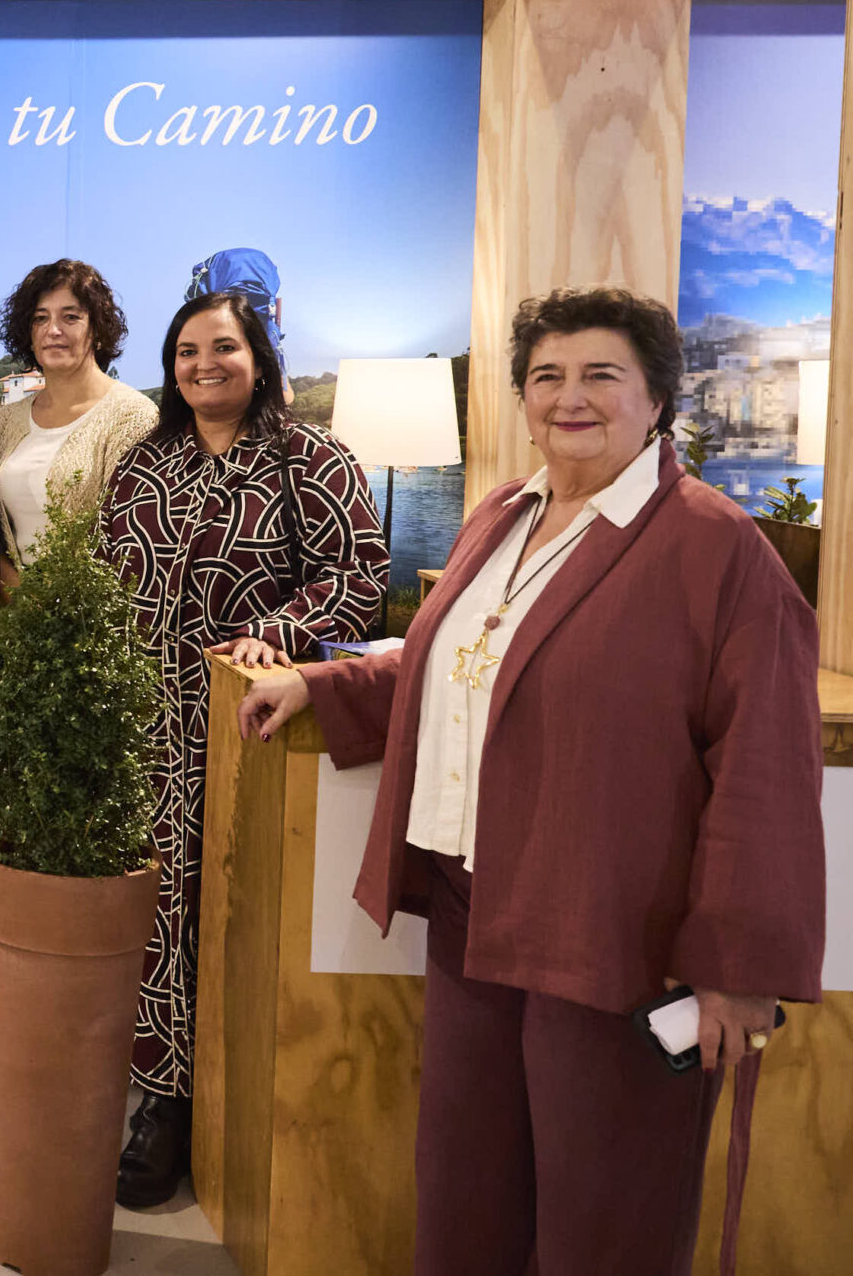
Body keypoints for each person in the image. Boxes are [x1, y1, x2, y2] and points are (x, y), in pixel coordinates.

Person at [237, 288, 823, 1276]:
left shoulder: (717, 547)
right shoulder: (504, 514)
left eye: (601, 375)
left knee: (604, 1217)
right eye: (546, 376)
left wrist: (735, 966)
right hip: (473, 912)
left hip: (612, 934)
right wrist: (321, 683)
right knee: (466, 1194)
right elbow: (464, 668)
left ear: (657, 398)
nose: (568, 397)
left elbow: (765, 769)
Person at [99, 288, 386, 1207]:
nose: (203, 365)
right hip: (146, 730)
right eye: (186, 351)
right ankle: (161, 1093)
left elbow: (361, 574)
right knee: (154, 912)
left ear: (258, 357)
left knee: (228, 913)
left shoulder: (310, 456)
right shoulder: (146, 461)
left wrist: (277, 629)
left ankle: (226, 1094)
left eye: (222, 347)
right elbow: (105, 575)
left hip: (249, 733)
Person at [0, 259, 156, 576]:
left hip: (98, 603)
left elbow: (133, 543)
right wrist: (17, 595)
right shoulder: (1, 423)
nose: (53, 330)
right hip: (11, 602)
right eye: (40, 318)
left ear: (98, 329)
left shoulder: (134, 417)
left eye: (71, 317)